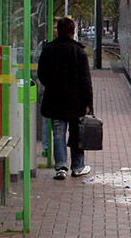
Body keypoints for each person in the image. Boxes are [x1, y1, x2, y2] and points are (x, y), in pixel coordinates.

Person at [37, 16, 94, 179]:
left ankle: (61, 167)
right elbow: (85, 80)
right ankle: (77, 166)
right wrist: (88, 102)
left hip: (55, 100)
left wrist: (52, 86)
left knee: (58, 133)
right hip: (76, 102)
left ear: (58, 31)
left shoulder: (48, 49)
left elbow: (42, 74)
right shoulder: (79, 52)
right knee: (76, 134)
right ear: (72, 31)